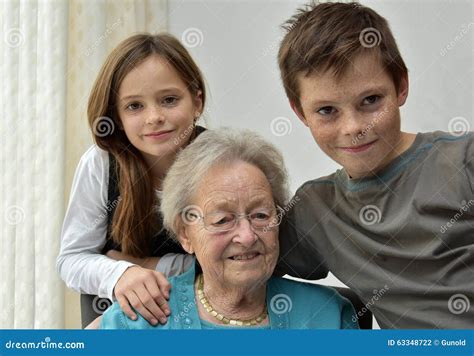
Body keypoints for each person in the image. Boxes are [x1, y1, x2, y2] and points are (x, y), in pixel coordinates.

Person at [276, 2, 473, 328]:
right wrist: (160, 271)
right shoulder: (315, 210)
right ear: (300, 112)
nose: (353, 127)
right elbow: (237, 261)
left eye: (370, 101)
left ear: (401, 87)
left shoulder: (463, 163)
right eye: (327, 110)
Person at [100, 129, 358, 329]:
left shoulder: (327, 316)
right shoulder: (138, 319)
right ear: (185, 233)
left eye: (260, 215)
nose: (247, 236)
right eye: (222, 220)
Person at [57, 33, 207, 326]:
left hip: (196, 314)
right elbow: (71, 260)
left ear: (197, 102)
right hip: (113, 311)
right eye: (134, 106)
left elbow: (237, 260)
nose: (154, 117)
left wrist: (151, 265)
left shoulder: (221, 161)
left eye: (169, 100)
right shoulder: (100, 163)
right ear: (117, 115)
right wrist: (122, 273)